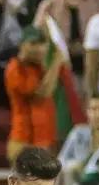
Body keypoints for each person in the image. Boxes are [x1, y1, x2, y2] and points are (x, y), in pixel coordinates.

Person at [5, 26, 64, 162]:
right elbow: (41, 94)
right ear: (22, 45)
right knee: (26, 182)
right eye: (33, 44)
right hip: (23, 139)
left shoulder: (38, 68)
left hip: (44, 139)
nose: (39, 48)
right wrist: (56, 62)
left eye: (42, 44)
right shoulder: (15, 68)